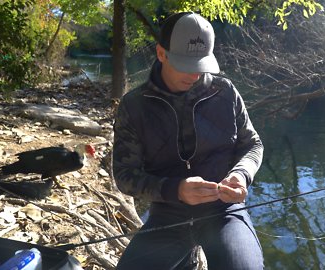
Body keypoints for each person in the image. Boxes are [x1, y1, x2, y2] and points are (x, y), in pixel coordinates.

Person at [113, 11, 264, 270]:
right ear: (162, 54)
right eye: (186, 64)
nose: (195, 75)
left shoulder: (225, 92)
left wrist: (241, 174)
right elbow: (125, 175)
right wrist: (176, 189)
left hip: (224, 210)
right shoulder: (134, 105)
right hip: (167, 213)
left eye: (202, 64)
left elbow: (252, 145)